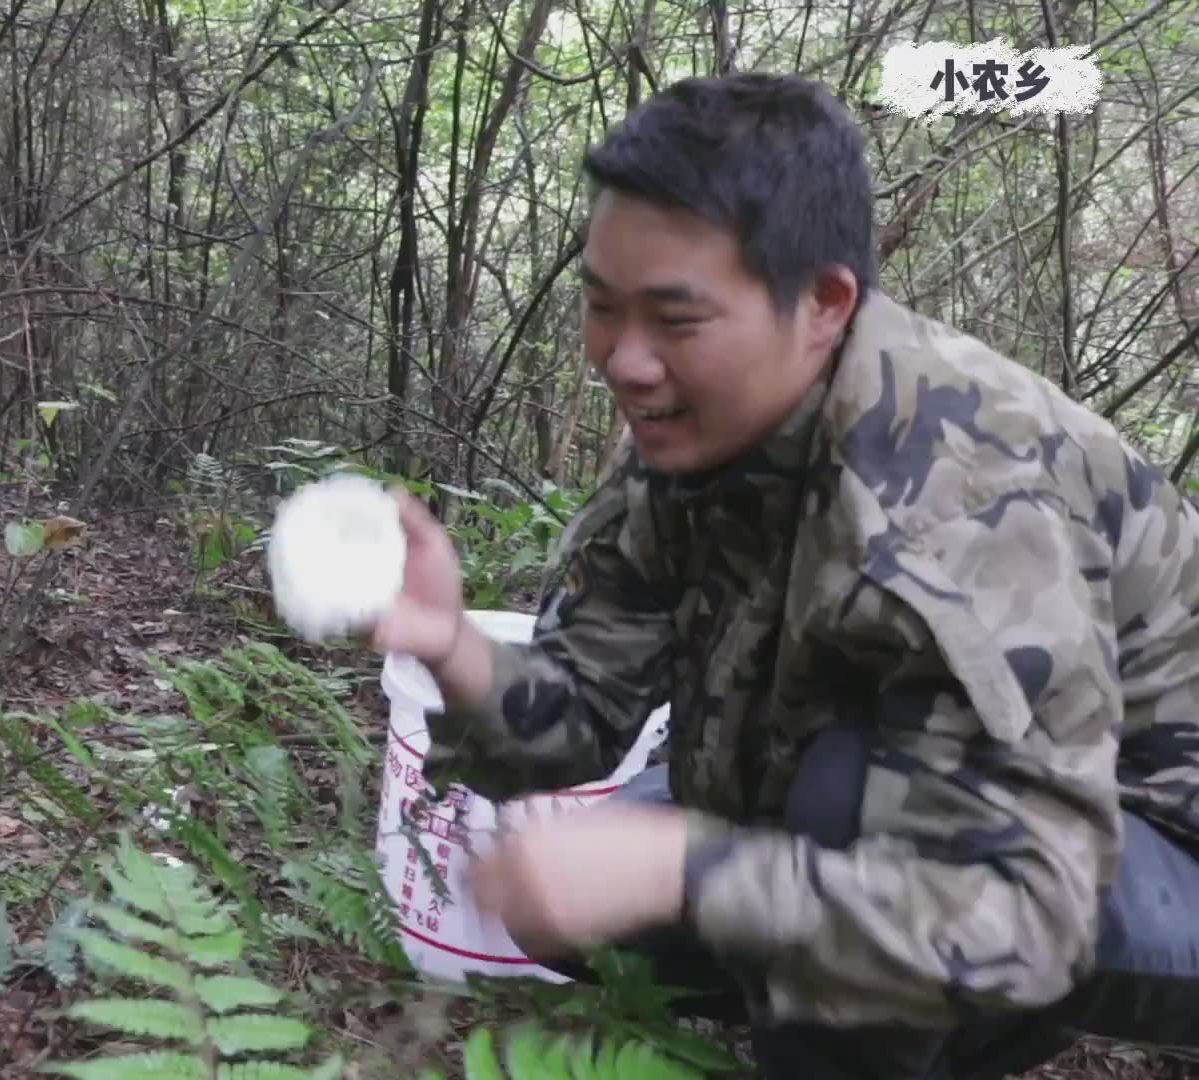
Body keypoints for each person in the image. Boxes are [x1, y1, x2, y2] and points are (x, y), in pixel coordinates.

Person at [367, 72, 1199, 1078]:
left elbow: (1027, 909)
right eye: (601, 307)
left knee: (822, 814)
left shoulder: (957, 499)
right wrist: (447, 644)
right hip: (939, 799)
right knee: (591, 890)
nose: (624, 361)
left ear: (825, 303)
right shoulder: (691, 435)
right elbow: (582, 711)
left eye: (676, 320)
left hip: (1140, 846)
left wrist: (692, 870)